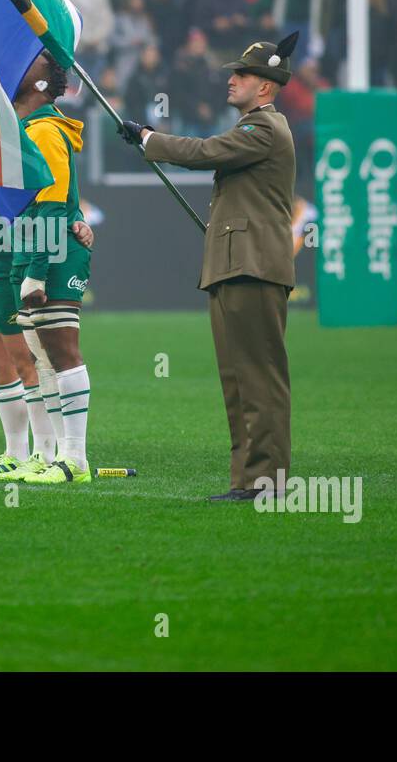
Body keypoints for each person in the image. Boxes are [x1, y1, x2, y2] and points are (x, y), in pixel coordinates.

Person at [120, 33, 298, 502]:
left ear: (265, 87)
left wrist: (147, 138)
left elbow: (204, 153)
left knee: (259, 377)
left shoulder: (263, 129)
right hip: (234, 265)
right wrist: (148, 141)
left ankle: (267, 482)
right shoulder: (256, 128)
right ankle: (247, 481)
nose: (232, 80)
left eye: (242, 74)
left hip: (253, 266)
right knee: (238, 380)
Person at [10, 52, 93, 484]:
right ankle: (56, 456)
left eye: (31, 64)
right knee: (42, 357)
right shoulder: (29, 130)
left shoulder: (43, 131)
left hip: (54, 254)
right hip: (36, 250)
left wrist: (38, 270)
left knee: (60, 351)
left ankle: (75, 460)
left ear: (42, 85)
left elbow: (52, 203)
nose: (18, 66)